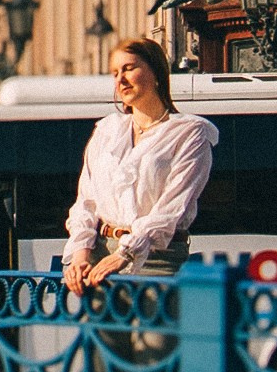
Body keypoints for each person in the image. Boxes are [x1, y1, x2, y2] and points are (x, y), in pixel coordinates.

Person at [62, 36, 218, 297]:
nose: (120, 80)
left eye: (129, 68)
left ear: (156, 73)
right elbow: (86, 201)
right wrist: (80, 257)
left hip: (158, 258)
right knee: (103, 337)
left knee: (154, 338)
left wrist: (126, 253)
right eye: (115, 73)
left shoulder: (189, 133)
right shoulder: (107, 130)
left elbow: (172, 207)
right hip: (102, 254)